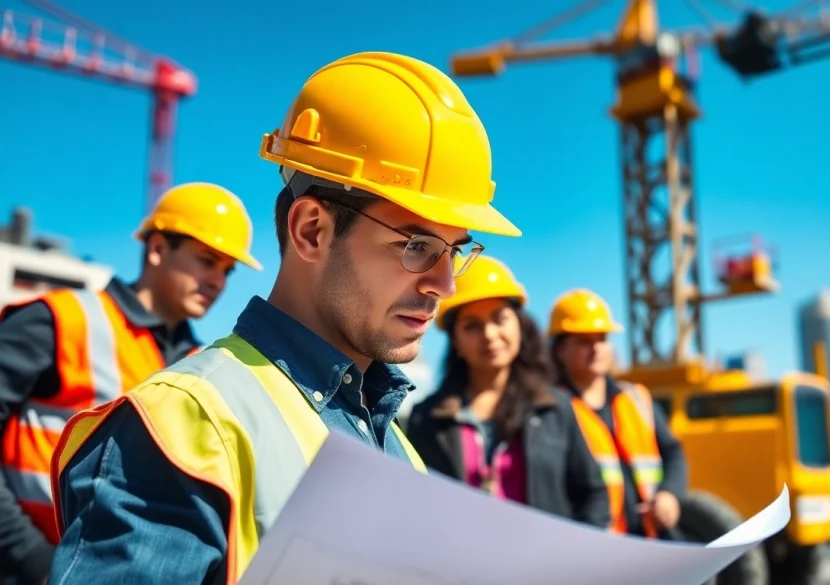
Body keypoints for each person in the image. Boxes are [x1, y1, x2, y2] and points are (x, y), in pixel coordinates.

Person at [46, 51, 522, 585]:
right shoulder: (181, 428)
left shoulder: (398, 447)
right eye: (416, 246)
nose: (445, 284)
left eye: (456, 251)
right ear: (312, 230)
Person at [0, 182, 261, 584]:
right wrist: (31, 557)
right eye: (208, 260)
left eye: (227, 271)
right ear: (157, 248)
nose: (218, 282)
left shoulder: (201, 366)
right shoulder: (59, 320)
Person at [404, 256, 610, 528]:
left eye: (500, 318)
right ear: (455, 341)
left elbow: (593, 495)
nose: (489, 334)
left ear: (519, 327)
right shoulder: (426, 418)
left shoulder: (556, 408)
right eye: (472, 325)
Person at [547, 288, 688, 539]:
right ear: (559, 350)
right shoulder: (551, 411)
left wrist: (669, 494)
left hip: (651, 538)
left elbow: (673, 453)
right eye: (583, 341)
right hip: (597, 548)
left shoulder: (636, 398)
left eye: (601, 339)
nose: (596, 349)